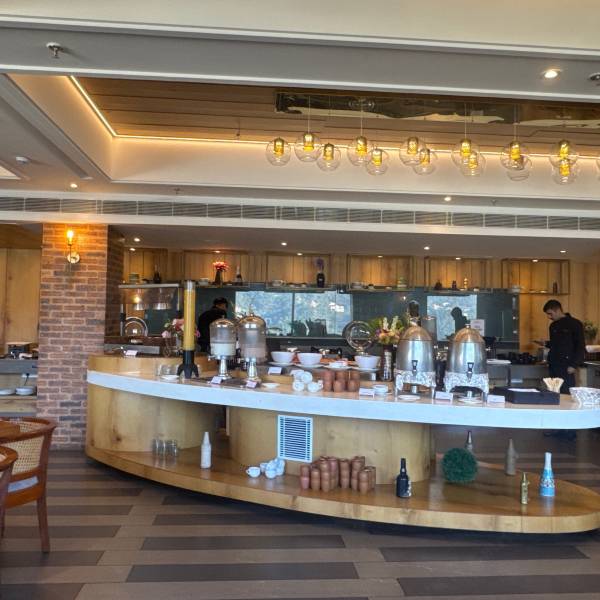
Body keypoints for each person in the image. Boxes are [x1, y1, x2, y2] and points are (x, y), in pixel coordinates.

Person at [536, 299, 585, 394]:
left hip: (566, 365)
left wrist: (574, 365)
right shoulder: (553, 326)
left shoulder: (575, 324)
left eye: (550, 314)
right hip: (553, 365)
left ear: (558, 310)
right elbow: (555, 344)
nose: (549, 317)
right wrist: (545, 343)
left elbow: (580, 346)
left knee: (565, 393)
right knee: (553, 392)